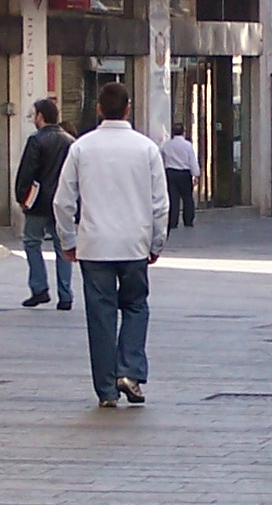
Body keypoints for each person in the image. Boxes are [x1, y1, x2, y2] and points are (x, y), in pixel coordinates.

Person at [54, 82, 168, 407]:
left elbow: (63, 201)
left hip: (94, 245)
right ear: (128, 108)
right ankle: (129, 370)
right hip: (134, 244)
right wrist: (156, 241)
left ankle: (105, 390)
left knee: (101, 315)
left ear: (99, 109)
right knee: (135, 306)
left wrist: (68, 239)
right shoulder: (146, 149)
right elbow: (161, 204)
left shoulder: (81, 148)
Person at [11, 98, 73, 310]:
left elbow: (27, 171)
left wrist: (21, 197)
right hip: (62, 203)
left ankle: (39, 288)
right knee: (63, 247)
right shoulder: (70, 141)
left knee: (31, 242)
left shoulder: (36, 140)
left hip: (38, 202)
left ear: (41, 116)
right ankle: (65, 294)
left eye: (34, 114)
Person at [160, 124, 199, 230]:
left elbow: (162, 159)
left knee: (173, 198)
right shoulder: (187, 145)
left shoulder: (166, 145)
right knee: (187, 198)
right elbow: (192, 160)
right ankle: (188, 220)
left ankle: (173, 221)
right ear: (183, 132)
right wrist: (195, 174)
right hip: (184, 173)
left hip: (171, 173)